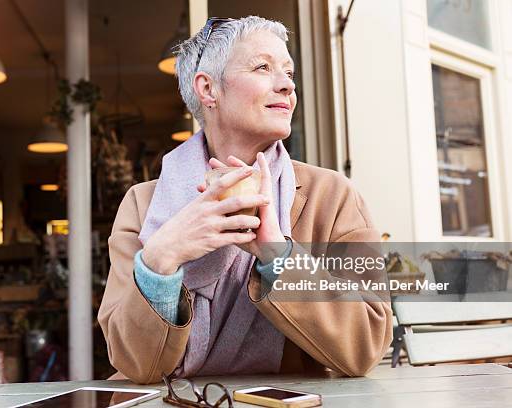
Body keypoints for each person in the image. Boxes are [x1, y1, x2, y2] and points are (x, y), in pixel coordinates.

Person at [98, 16, 392, 384]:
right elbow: (134, 363)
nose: (286, 85)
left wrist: (278, 256)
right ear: (208, 90)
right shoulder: (143, 204)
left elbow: (365, 347)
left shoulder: (332, 197)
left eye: (290, 72)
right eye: (263, 67)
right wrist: (160, 260)